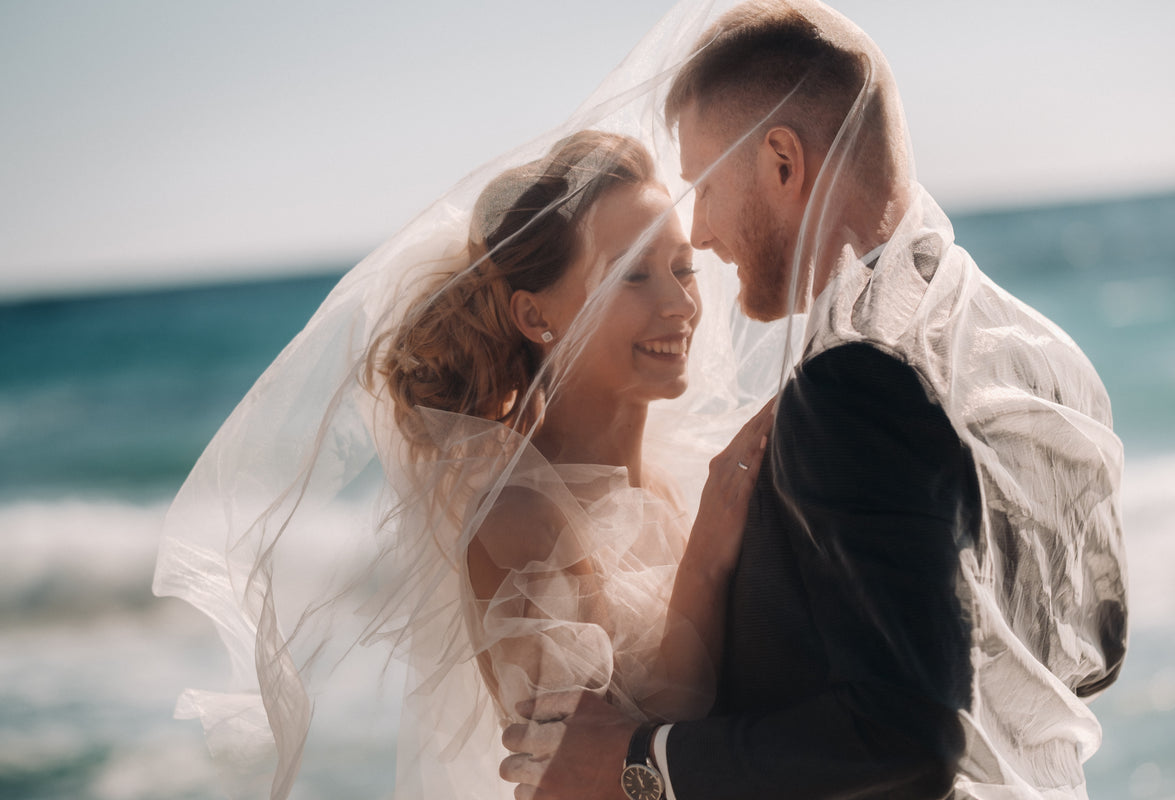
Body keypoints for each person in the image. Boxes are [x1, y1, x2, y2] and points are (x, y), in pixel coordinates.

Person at [499, 1, 1128, 798]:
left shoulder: (853, 379)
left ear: (782, 163)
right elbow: (1092, 654)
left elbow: (906, 741)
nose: (697, 234)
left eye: (704, 185)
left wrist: (637, 763)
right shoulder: (1051, 358)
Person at [154, 126, 774, 798]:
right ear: (537, 318)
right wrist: (710, 550)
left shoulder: (674, 481)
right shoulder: (523, 519)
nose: (679, 303)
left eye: (684, 267)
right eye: (632, 275)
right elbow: (588, 779)